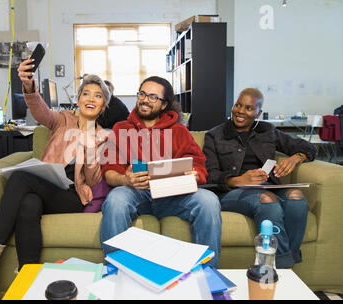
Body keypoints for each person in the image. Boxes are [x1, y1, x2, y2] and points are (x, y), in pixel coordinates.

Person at [0, 59, 111, 298]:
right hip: (45, 187)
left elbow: (93, 178)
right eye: (86, 93)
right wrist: (28, 86)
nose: (90, 98)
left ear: (103, 105)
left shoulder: (103, 137)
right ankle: (28, 277)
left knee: (20, 178)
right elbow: (40, 110)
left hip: (72, 197)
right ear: (78, 99)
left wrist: (90, 143)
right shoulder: (61, 121)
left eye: (98, 96)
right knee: (28, 203)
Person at [99, 76, 222, 268]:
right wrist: (125, 179)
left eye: (153, 97)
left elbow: (198, 164)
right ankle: (116, 271)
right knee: (116, 200)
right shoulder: (121, 128)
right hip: (136, 193)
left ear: (164, 105)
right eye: (142, 94)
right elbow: (109, 171)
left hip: (173, 196)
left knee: (208, 200)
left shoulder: (180, 131)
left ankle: (208, 273)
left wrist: (195, 174)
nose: (145, 99)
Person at [202, 88, 317, 269]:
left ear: (258, 113)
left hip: (267, 186)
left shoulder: (267, 131)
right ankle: (281, 269)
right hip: (232, 191)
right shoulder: (215, 135)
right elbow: (209, 174)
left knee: (296, 198)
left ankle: (286, 261)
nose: (240, 111)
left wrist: (295, 158)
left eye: (248, 108)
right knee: (267, 201)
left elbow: (308, 147)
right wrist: (237, 179)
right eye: (238, 105)